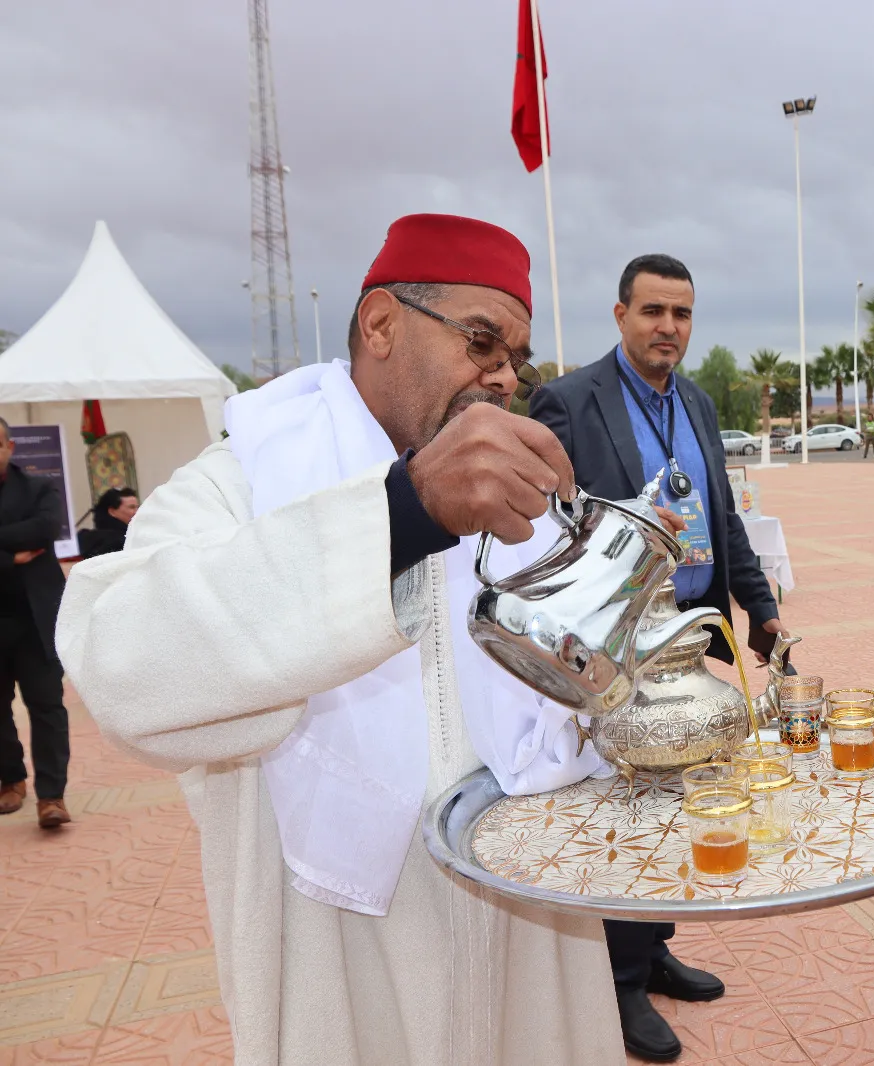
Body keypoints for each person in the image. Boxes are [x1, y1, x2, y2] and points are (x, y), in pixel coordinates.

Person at [56, 214, 624, 1064]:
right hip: (339, 961)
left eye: (516, 357)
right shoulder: (244, 478)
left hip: (530, 953)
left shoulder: (524, 510)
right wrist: (403, 515)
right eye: (481, 342)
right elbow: (118, 663)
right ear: (381, 324)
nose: (505, 376)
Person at [528, 253, 785, 1063]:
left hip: (690, 639)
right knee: (625, 810)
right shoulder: (570, 401)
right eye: (652, 311)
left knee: (674, 799)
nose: (668, 327)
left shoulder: (698, 404)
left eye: (681, 313)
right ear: (620, 316)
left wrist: (761, 610)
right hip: (616, 644)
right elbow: (547, 526)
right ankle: (620, 982)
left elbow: (724, 518)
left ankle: (657, 946)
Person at [0, 419, 72, 828]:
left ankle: (52, 795)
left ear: (9, 447)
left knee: (47, 707)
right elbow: (28, 535)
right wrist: (11, 556)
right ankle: (10, 780)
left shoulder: (39, 488)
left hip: (35, 620)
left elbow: (46, 528)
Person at [76, 487, 139, 558]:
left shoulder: (86, 538)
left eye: (137, 507)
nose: (137, 511)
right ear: (112, 511)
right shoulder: (121, 541)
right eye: (132, 507)